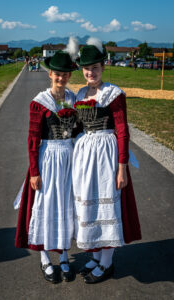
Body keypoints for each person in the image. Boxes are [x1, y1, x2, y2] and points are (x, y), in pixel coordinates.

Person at [72, 37, 142, 284]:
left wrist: (121, 168)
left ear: (103, 67)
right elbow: (77, 126)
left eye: (95, 68)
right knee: (89, 206)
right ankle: (95, 255)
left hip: (106, 157)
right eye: (87, 68)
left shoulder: (113, 93)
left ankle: (107, 263)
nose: (90, 72)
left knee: (106, 207)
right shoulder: (80, 93)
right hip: (85, 157)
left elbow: (122, 131)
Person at [15, 37, 79, 283]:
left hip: (69, 160)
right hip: (48, 160)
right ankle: (45, 258)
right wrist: (34, 171)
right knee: (46, 206)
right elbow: (32, 140)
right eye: (57, 74)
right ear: (50, 74)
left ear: (69, 76)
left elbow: (79, 131)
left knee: (65, 207)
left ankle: (63, 256)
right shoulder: (39, 103)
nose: (61, 78)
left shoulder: (74, 100)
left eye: (65, 74)